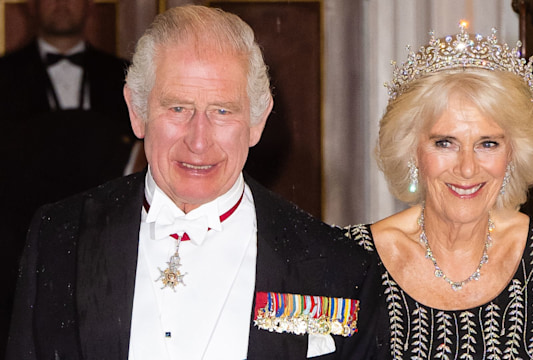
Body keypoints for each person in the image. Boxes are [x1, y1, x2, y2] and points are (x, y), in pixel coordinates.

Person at [6, 5, 381, 360]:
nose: (198, 141)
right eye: (178, 108)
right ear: (137, 112)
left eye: (222, 111)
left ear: (257, 120)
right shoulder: (58, 238)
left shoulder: (337, 265)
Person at [346, 24, 533, 359]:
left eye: (488, 143)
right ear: (412, 150)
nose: (467, 168)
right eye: (445, 143)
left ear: (513, 153)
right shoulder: (351, 259)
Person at [0, 0, 134, 355]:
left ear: (91, 5)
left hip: (111, 257)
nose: (61, 3)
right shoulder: (3, 76)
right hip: (13, 261)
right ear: (30, 5)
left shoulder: (128, 77)